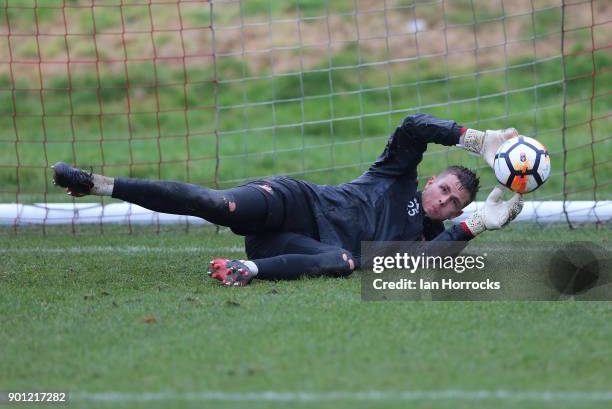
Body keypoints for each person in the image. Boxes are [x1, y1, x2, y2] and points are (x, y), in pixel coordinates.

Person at [52, 113, 523, 286]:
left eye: (454, 203)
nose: (444, 201)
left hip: (284, 248)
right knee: (221, 206)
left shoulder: (420, 241)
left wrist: (478, 225)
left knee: (343, 262)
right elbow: (412, 125)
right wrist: (474, 140)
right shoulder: (397, 175)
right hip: (295, 201)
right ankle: (97, 185)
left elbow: (426, 265)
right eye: (443, 188)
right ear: (431, 180)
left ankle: (246, 272)